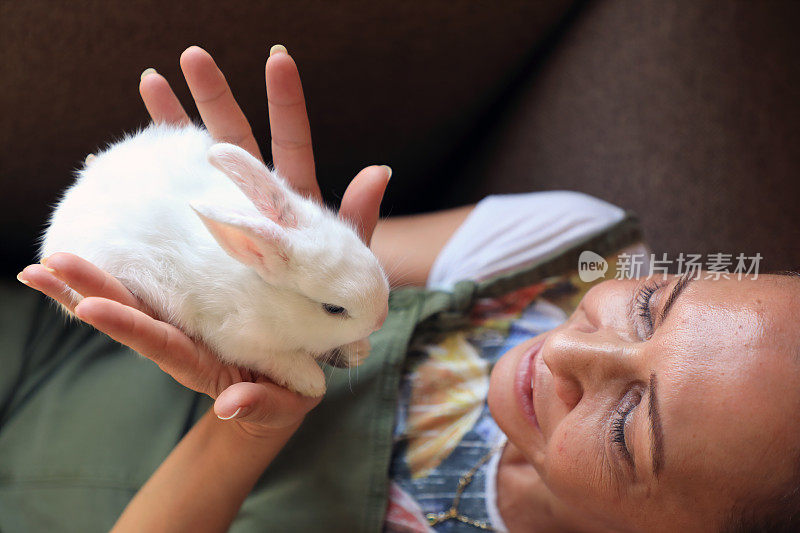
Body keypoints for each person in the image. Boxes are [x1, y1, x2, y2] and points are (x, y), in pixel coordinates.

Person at [13, 45, 800, 532]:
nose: (565, 344)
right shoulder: (572, 247)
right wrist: (295, 231)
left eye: (628, 424)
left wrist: (253, 418)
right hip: (50, 338)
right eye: (648, 307)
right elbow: (320, 268)